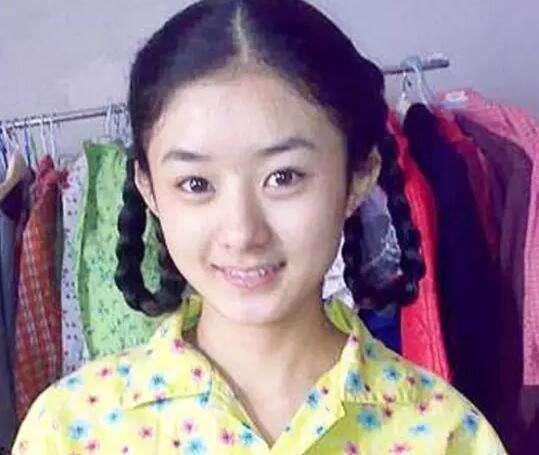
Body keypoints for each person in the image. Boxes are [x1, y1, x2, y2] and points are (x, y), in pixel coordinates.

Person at [13, 0, 507, 453]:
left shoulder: (445, 433)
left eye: (283, 177)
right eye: (196, 183)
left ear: (358, 177)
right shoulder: (72, 429)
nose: (242, 233)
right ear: (149, 190)